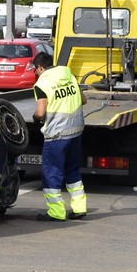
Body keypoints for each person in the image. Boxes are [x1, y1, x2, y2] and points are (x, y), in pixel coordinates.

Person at [31, 51, 87, 222]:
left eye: (35, 69)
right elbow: (83, 100)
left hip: (56, 135)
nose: (35, 73)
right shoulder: (69, 76)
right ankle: (79, 208)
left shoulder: (43, 84)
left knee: (52, 172)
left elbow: (41, 113)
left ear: (40, 67)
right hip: (75, 131)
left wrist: (35, 117)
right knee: (72, 170)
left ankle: (56, 212)